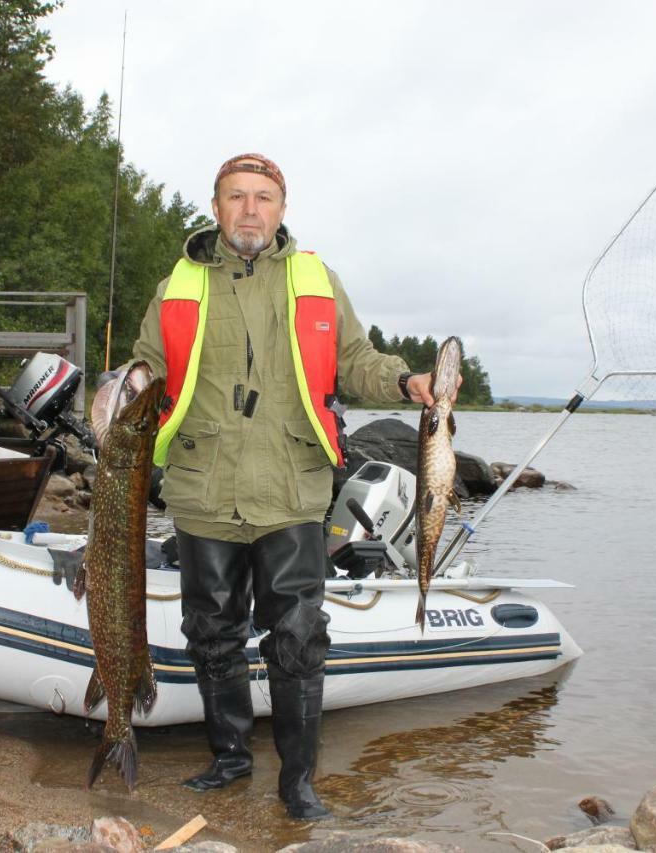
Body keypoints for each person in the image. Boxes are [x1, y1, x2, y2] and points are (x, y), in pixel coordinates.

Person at [131, 153, 438, 819]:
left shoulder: (315, 279)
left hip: (292, 488)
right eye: (236, 196)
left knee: (298, 637)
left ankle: (298, 780)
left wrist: (406, 382)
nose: (250, 209)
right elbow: (148, 366)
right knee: (210, 630)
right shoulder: (177, 285)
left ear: (282, 208)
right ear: (215, 207)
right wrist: (119, 386)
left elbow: (356, 359)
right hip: (203, 489)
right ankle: (230, 756)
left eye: (263, 197)